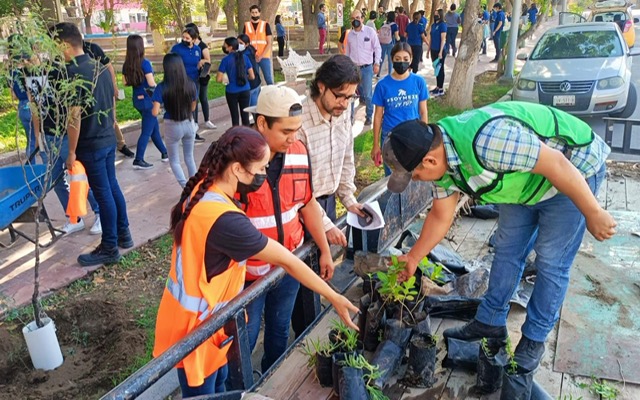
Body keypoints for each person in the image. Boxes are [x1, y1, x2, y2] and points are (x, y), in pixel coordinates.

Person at [381, 101, 615, 399]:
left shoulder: (488, 141)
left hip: (573, 172)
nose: (416, 181)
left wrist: (593, 212)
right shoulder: (441, 163)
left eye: (414, 175)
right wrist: (413, 257)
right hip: (528, 181)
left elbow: (557, 164)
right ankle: (490, 320)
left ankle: (532, 343)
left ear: (428, 160)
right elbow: (441, 215)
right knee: (506, 248)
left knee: (550, 261)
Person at [153, 127, 359, 397]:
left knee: (219, 383)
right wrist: (333, 296)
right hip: (199, 330)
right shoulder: (226, 222)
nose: (264, 174)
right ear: (238, 169)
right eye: (261, 168)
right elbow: (288, 261)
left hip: (205, 322)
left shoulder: (205, 190)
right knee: (204, 392)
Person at [239, 86, 334, 372]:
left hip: (289, 265)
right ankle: (241, 386)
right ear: (262, 123)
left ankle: (272, 376)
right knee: (245, 338)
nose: (293, 137)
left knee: (279, 329)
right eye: (286, 131)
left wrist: (325, 250)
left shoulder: (299, 152)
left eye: (297, 129)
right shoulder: (239, 161)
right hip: (248, 275)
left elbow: (307, 203)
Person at [51, 23, 132, 266]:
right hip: (106, 138)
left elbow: (74, 117)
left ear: (64, 45)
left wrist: (71, 151)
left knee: (103, 193)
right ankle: (124, 234)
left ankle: (109, 247)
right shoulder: (99, 67)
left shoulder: (73, 73)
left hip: (91, 143)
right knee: (111, 187)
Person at [296, 55, 365, 336]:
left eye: (350, 97)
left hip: (326, 202)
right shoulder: (299, 122)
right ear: (321, 86)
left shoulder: (342, 112)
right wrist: (324, 225)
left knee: (323, 269)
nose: (344, 104)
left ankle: (315, 325)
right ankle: (304, 337)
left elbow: (346, 157)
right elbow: (298, 187)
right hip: (301, 208)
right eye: (339, 95)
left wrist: (349, 199)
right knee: (304, 280)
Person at [372, 42, 428, 175]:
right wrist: (375, 144)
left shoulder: (419, 82)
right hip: (390, 137)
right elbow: (378, 116)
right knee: (392, 177)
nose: (401, 62)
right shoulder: (382, 85)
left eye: (405, 59)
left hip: (413, 135)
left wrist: (424, 137)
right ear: (392, 59)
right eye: (397, 59)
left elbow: (423, 111)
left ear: (411, 60)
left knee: (413, 174)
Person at [82, 38, 135, 158]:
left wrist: (113, 86)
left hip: (103, 88)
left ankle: (121, 144)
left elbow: (109, 66)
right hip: (87, 93)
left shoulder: (93, 48)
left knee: (111, 117)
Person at [122, 34, 168, 170]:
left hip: (137, 100)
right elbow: (151, 83)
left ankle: (165, 153)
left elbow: (125, 82)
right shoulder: (145, 63)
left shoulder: (127, 65)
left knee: (153, 128)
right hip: (148, 101)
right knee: (147, 132)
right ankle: (138, 159)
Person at [151, 53, 198, 188]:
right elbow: (193, 107)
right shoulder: (190, 84)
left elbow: (154, 112)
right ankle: (195, 187)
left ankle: (185, 188)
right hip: (188, 122)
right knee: (189, 157)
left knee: (175, 161)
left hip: (172, 125)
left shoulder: (162, 87)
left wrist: (159, 107)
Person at [7, 34, 47, 164]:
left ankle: (31, 168)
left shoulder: (10, 71)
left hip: (22, 107)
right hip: (34, 105)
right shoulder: (31, 68)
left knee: (31, 140)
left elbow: (13, 95)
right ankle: (48, 167)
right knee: (42, 139)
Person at [345, 9, 382, 126]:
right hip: (353, 69)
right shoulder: (350, 35)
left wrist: (377, 63)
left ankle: (369, 116)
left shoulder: (370, 32)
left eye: (357, 17)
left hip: (367, 69)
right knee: (351, 94)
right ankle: (350, 118)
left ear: (362, 18)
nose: (355, 20)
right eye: (353, 18)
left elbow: (377, 48)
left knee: (368, 95)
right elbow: (347, 52)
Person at [171, 26, 206, 142]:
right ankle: (182, 132)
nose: (184, 40)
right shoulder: (176, 49)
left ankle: (193, 131)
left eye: (187, 38)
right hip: (181, 82)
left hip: (194, 81)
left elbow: (197, 63)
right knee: (183, 107)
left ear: (194, 39)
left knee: (194, 106)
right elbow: (171, 64)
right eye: (183, 37)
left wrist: (201, 66)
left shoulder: (197, 49)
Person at [185, 23, 218, 131]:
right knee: (194, 99)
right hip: (191, 77)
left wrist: (201, 63)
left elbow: (208, 60)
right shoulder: (186, 46)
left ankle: (207, 120)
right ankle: (194, 122)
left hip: (201, 76)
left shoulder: (202, 46)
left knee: (203, 97)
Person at [217, 37, 254, 127]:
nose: (224, 47)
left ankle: (236, 134)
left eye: (225, 45)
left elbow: (218, 79)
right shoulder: (245, 57)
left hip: (231, 91)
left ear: (230, 47)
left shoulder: (225, 60)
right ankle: (247, 134)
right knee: (245, 116)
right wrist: (245, 77)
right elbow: (252, 76)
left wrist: (226, 78)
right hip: (245, 89)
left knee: (235, 117)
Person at [243, 5, 274, 85]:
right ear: (250, 13)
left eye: (256, 12)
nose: (254, 14)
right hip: (252, 57)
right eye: (253, 12)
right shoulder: (246, 25)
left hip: (264, 56)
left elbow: (269, 43)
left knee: (268, 78)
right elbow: (244, 43)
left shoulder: (265, 25)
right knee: (254, 80)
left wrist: (261, 56)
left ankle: (273, 92)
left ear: (259, 13)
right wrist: (254, 55)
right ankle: (257, 93)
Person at [238, 34, 262, 107]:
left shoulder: (245, 55)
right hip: (256, 83)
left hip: (251, 85)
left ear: (247, 44)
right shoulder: (250, 50)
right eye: (237, 43)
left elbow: (250, 74)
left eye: (241, 43)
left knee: (251, 108)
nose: (238, 45)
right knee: (256, 107)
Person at [428, 9, 447, 96]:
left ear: (440, 15)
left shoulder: (443, 25)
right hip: (433, 49)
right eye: (435, 14)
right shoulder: (433, 25)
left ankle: (441, 88)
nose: (435, 15)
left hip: (440, 50)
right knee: (436, 68)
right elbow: (431, 38)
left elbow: (443, 39)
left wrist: (440, 52)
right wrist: (428, 50)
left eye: (437, 14)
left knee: (440, 68)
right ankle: (437, 87)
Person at [378, 11, 400, 78]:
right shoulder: (394, 25)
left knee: (381, 58)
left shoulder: (383, 23)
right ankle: (389, 74)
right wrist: (399, 39)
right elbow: (396, 36)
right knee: (390, 59)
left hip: (382, 42)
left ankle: (378, 73)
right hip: (390, 43)